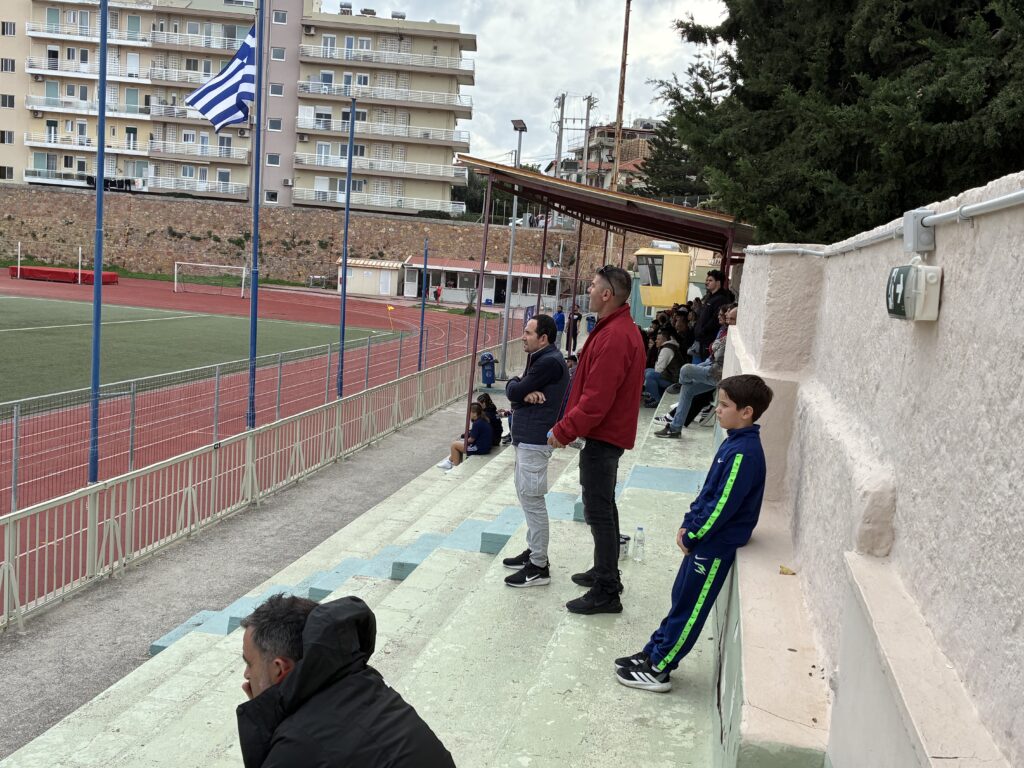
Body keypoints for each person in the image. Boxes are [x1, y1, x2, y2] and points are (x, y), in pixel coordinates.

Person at [615, 375, 773, 692]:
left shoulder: (744, 453)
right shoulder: (733, 442)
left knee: (691, 608)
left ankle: (660, 668)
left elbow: (723, 505)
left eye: (724, 405)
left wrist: (693, 534)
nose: (718, 410)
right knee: (681, 597)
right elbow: (709, 493)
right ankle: (654, 651)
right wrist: (688, 522)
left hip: (715, 544)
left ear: (747, 412)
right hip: (704, 539)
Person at [237, 594, 455, 767]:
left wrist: (265, 720)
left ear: (279, 668)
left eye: (250, 663)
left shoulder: (297, 747)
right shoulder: (365, 682)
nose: (247, 674)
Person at [549, 265, 645, 615]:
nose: (587, 290)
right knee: (603, 506)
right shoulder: (614, 328)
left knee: (598, 510)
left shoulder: (616, 336)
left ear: (607, 294)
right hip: (605, 433)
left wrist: (563, 430)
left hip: (603, 435)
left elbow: (597, 399)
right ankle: (605, 571)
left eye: (592, 286)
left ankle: (606, 589)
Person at [502, 314, 570, 588]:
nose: (523, 336)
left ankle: (539, 566)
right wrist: (521, 393)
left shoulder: (548, 362)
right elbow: (517, 391)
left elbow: (513, 391)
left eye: (528, 333)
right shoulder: (541, 359)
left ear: (543, 338)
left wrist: (518, 391)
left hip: (534, 440)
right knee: (525, 495)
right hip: (527, 438)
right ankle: (533, 551)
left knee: (532, 500)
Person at [656, 305, 737, 438]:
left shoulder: (733, 335)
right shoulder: (723, 330)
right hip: (711, 366)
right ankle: (675, 428)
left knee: (685, 369)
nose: (726, 317)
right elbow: (712, 356)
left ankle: (680, 384)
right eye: (727, 314)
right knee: (687, 389)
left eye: (731, 318)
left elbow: (717, 357)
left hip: (717, 373)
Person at [693, 270, 735, 362]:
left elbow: (715, 320)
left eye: (710, 280)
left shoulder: (721, 299)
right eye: (707, 280)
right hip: (702, 341)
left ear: (718, 283)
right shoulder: (710, 297)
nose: (707, 282)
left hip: (709, 342)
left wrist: (702, 331)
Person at [437, 402, 492, 470]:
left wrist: (463, 443)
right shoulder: (483, 420)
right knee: (458, 444)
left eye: (469, 412)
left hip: (480, 449)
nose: (468, 414)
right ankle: (449, 462)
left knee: (454, 445)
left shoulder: (477, 423)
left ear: (475, 414)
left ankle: (455, 468)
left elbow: (471, 439)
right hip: (485, 447)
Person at [642, 327, 683, 407]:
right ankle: (653, 396)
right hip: (671, 376)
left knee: (650, 375)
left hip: (673, 380)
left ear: (664, 340)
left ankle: (656, 399)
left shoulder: (666, 349)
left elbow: (658, 369)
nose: (656, 341)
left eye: (658, 339)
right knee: (647, 371)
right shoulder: (668, 347)